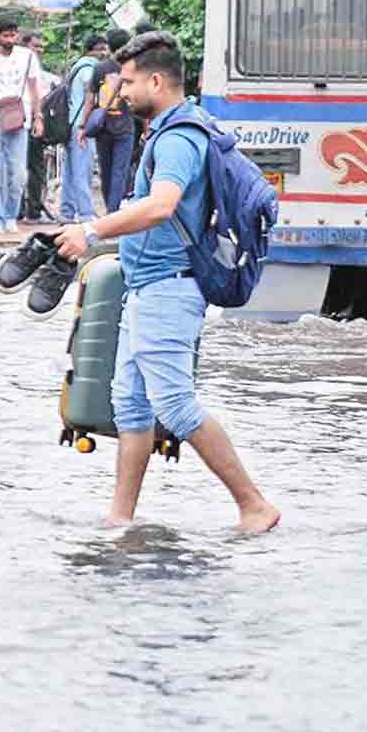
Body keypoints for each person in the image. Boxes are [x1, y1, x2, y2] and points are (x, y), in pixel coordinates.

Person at [54, 31, 280, 534]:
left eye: (129, 82)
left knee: (175, 405)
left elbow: (161, 207)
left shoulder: (178, 138)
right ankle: (121, 518)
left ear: (156, 81)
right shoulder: (165, 130)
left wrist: (90, 231)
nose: (122, 92)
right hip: (147, 285)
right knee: (130, 405)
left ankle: (254, 505)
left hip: (169, 286)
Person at [0, 17, 43, 234]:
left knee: (18, 173)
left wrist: (38, 117)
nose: (10, 40)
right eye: (5, 36)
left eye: (13, 35)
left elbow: (35, 88)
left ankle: (11, 215)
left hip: (20, 120)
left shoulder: (28, 56)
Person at [81, 28, 134, 214]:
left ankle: (110, 210)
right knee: (120, 171)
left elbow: (90, 100)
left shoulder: (100, 68)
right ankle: (113, 212)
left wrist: (82, 126)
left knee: (106, 170)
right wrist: (147, 127)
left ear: (109, 46)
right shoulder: (133, 68)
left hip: (102, 126)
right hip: (125, 127)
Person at [58, 34, 107, 224]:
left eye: (105, 49)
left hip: (70, 124)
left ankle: (67, 212)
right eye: (99, 49)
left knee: (70, 170)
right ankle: (86, 213)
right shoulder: (89, 68)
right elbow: (90, 95)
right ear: (89, 50)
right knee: (82, 171)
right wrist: (86, 124)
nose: (103, 53)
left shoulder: (76, 66)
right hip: (82, 125)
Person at [21, 31, 59, 223]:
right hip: (21, 120)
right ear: (25, 45)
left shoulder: (38, 69)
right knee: (27, 167)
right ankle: (27, 209)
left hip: (32, 121)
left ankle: (32, 209)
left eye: (41, 46)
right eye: (35, 46)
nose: (39, 50)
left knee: (34, 166)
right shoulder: (21, 64)